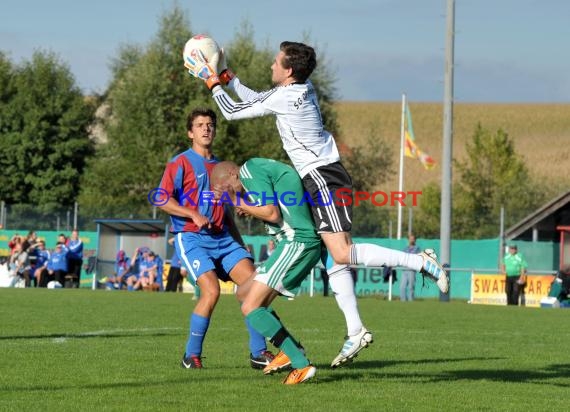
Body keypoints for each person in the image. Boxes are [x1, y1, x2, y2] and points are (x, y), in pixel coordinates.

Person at [185, 41, 448, 367]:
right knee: (332, 258)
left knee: (341, 252)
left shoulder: (287, 95)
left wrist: (210, 81)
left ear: (289, 70)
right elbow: (255, 101)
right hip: (319, 177)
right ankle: (355, 330)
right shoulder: (298, 88)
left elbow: (232, 111)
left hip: (323, 177)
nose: (271, 65)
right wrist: (227, 76)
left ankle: (420, 262)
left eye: (275, 61)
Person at [157, 108, 275, 370]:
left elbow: (227, 212)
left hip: (224, 239)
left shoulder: (223, 167)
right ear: (191, 132)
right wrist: (192, 213)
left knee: (254, 287)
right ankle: (191, 355)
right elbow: (161, 198)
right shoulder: (181, 163)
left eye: (210, 124)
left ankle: (259, 353)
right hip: (193, 238)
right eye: (200, 125)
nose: (206, 129)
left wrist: (240, 243)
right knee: (211, 291)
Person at [211, 158, 322, 384]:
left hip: (296, 241)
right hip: (293, 242)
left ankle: (301, 364)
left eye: (225, 187)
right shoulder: (257, 171)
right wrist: (244, 203)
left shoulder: (249, 170)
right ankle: (292, 350)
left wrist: (235, 200)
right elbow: (275, 204)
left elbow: (272, 214)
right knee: (242, 293)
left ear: (233, 173)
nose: (226, 193)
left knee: (250, 307)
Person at [400, 234, 420, 301]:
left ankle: (411, 300)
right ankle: (403, 300)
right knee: (402, 286)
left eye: (413, 239)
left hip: (412, 270)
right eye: (410, 238)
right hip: (404, 269)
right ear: (408, 240)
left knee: (411, 287)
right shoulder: (405, 248)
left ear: (415, 240)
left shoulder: (417, 249)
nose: (411, 240)